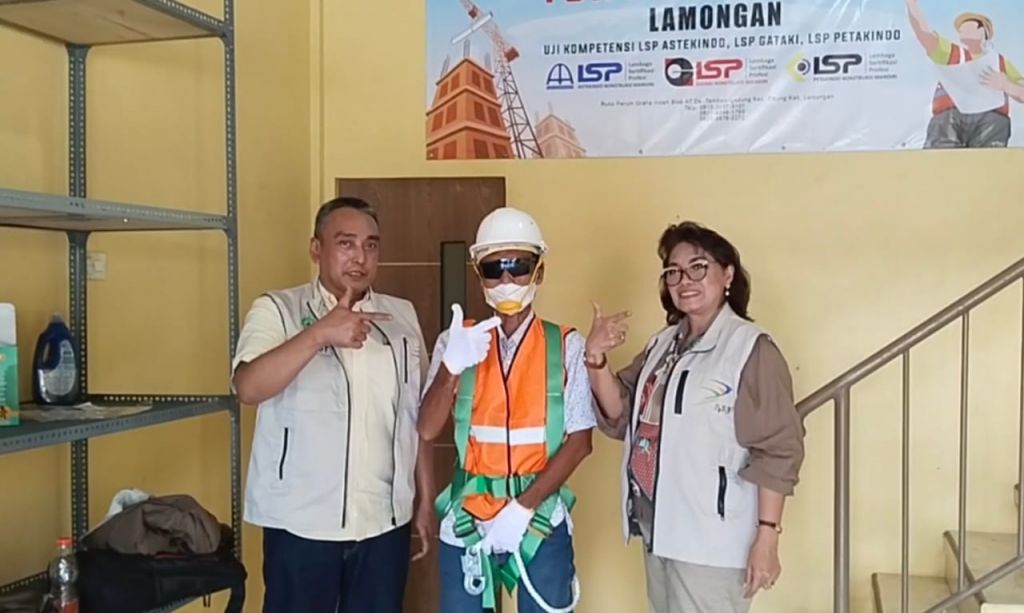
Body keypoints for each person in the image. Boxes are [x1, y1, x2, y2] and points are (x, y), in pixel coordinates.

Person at [586, 222, 805, 613]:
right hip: (658, 527)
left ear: (728, 274)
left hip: (711, 541)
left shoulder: (750, 349)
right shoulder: (663, 344)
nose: (684, 280)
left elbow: (777, 449)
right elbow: (621, 413)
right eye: (673, 271)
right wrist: (595, 358)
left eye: (698, 267)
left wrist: (767, 536)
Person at [231, 196, 435, 613]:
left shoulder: (401, 317)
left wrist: (426, 499)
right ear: (316, 249)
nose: (360, 257)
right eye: (346, 244)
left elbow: (415, 415)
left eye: (371, 245)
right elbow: (248, 387)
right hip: (301, 524)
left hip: (383, 521)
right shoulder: (278, 309)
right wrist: (319, 333)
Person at [418, 207, 595, 613]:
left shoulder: (565, 345)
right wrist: (450, 367)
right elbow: (426, 429)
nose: (507, 280)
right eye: (494, 268)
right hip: (468, 519)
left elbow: (580, 442)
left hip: (539, 518)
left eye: (519, 266)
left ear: (539, 272)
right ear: (479, 276)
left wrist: (522, 507)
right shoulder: (456, 341)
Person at [906, 0, 1024, 148]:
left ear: (983, 31)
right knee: (941, 151)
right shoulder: (951, 53)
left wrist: (1007, 85)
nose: (961, 29)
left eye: (968, 26)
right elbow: (923, 33)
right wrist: (912, 4)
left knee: (990, 152)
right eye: (960, 28)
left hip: (990, 120)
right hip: (950, 117)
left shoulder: (1000, 62)